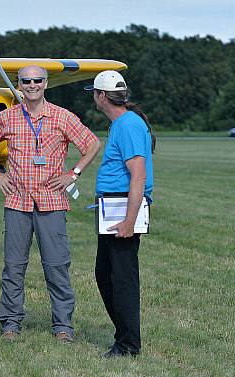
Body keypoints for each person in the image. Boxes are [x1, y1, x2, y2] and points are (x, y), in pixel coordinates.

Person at [0, 65, 101, 344]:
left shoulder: (62, 116)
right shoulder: (7, 117)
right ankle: (10, 322)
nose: (32, 85)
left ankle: (63, 326)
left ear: (46, 83)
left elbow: (92, 144)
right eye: (26, 81)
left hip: (52, 202)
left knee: (56, 266)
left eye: (37, 80)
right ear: (19, 84)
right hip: (17, 201)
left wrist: (73, 174)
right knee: (14, 266)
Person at [84, 70, 155, 358]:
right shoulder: (122, 123)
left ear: (102, 96)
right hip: (112, 207)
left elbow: (138, 176)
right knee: (105, 273)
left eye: (94, 92)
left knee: (122, 277)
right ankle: (124, 334)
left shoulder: (127, 125)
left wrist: (128, 221)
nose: (94, 97)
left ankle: (128, 344)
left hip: (122, 208)